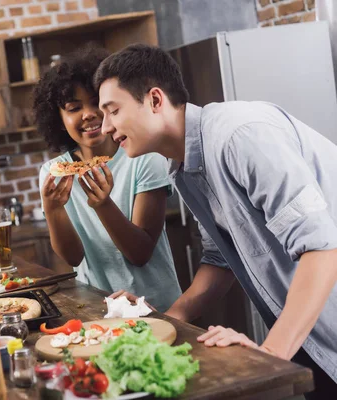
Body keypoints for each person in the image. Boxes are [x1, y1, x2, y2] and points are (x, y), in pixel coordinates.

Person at [94, 44, 337, 398]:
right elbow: (220, 260)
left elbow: (321, 248)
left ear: (155, 100)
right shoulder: (182, 168)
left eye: (112, 111)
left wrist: (270, 354)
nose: (105, 128)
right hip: (312, 336)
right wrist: (164, 321)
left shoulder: (239, 135)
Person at [34, 47, 181, 312]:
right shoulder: (54, 172)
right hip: (98, 308)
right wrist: (52, 208)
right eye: (73, 108)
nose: (88, 114)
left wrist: (103, 205)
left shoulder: (144, 157)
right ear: (58, 118)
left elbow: (140, 253)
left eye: (96, 103)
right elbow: (73, 258)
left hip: (157, 308)